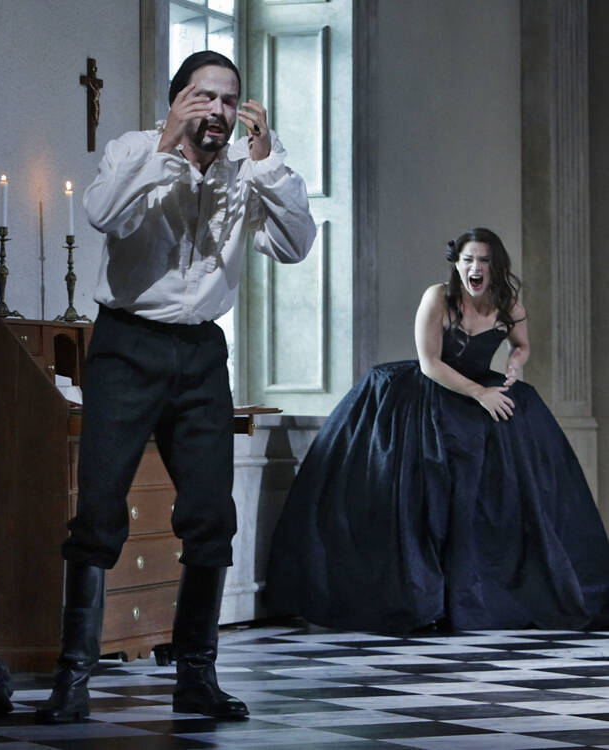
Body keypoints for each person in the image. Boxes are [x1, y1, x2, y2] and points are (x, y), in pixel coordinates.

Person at [36, 51, 315, 724]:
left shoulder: (248, 171)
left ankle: (197, 676)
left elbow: (294, 245)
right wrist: (163, 146)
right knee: (98, 510)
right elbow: (104, 214)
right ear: (177, 101)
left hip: (200, 353)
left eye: (228, 99)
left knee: (211, 515)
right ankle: (73, 677)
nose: (217, 110)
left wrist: (267, 162)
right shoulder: (134, 149)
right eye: (203, 96)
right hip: (126, 346)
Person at [267, 227, 609, 633]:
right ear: (457, 264)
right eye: (468, 259)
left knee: (512, 464)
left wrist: (515, 364)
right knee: (424, 486)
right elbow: (430, 363)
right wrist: (480, 394)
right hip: (431, 392)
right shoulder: (438, 298)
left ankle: (485, 593)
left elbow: (522, 344)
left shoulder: (509, 304)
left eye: (484, 260)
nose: (475, 267)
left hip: (481, 391)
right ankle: (422, 596)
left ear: (496, 266)